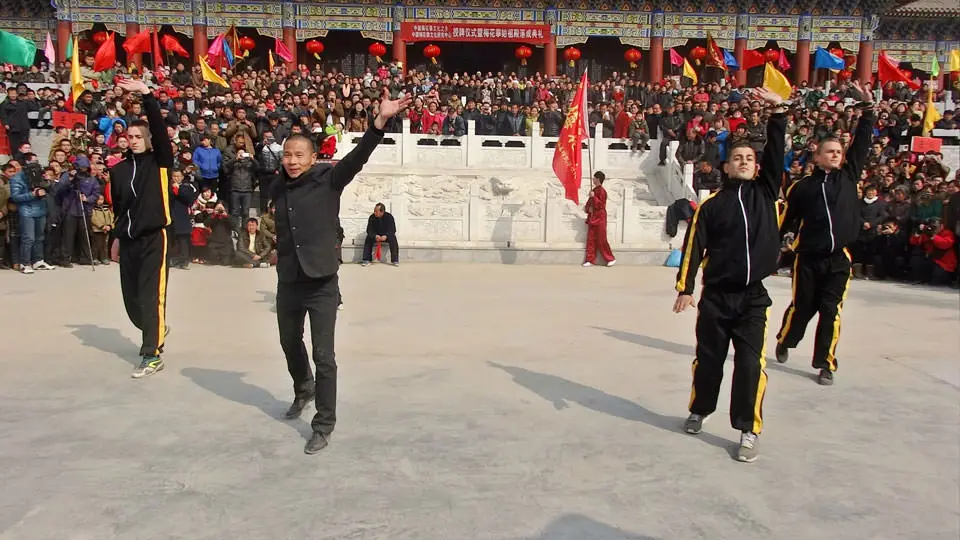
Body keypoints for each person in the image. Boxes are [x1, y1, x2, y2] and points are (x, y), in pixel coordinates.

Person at [272, 88, 411, 455]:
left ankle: (323, 424)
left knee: (324, 356)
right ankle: (304, 388)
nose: (292, 161)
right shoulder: (278, 186)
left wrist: (379, 122)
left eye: (299, 155)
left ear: (313, 157)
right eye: (287, 155)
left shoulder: (328, 180)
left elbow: (358, 157)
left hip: (321, 282)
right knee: (289, 342)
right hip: (289, 280)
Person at [672, 88, 786, 463]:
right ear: (726, 166)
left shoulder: (765, 193)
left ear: (757, 167)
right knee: (709, 359)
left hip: (753, 298)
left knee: (751, 365)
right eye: (737, 158)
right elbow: (693, 247)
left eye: (749, 158)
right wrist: (685, 288)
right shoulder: (711, 207)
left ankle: (748, 429)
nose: (744, 162)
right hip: (717, 298)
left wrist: (778, 113)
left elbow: (776, 153)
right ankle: (700, 409)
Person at [775, 80, 875, 386]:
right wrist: (775, 245)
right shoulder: (801, 187)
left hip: (838, 260)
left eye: (838, 152)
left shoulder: (848, 177)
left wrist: (867, 111)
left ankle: (825, 363)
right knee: (803, 308)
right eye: (829, 151)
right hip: (807, 259)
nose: (835, 155)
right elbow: (785, 222)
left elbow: (862, 143)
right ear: (816, 156)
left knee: (831, 311)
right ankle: (786, 339)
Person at [110, 78, 197, 379]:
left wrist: (147, 95)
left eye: (139, 136)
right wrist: (116, 238)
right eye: (130, 136)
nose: (133, 140)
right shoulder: (119, 171)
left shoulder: (159, 162)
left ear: (148, 140)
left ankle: (151, 354)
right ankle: (156, 326)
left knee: (150, 297)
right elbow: (119, 209)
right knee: (132, 301)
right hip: (128, 240)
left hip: (155, 238)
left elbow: (159, 131)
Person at [56, 155, 100, 267]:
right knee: (68, 236)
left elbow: (96, 194)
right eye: (81, 167)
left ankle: (85, 257)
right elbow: (60, 188)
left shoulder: (92, 179)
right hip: (70, 210)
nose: (83, 170)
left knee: (85, 235)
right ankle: (64, 259)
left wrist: (87, 199)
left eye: (85, 168)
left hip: (85, 210)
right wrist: (70, 178)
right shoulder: (68, 175)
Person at [583, 171, 616, 267]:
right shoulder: (594, 190)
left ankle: (610, 258)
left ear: (598, 179)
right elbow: (589, 203)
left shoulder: (602, 191)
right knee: (591, 239)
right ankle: (590, 260)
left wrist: (594, 197)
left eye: (594, 178)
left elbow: (601, 205)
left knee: (601, 239)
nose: (593, 180)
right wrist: (588, 208)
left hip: (600, 217)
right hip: (593, 217)